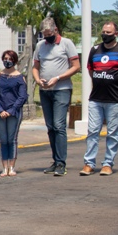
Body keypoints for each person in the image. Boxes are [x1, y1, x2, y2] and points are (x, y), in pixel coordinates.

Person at [80, 22, 118, 177]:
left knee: (112, 133)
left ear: (116, 33)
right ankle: (89, 163)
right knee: (93, 131)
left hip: (114, 99)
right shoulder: (95, 50)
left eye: (108, 32)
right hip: (96, 98)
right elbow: (91, 70)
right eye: (103, 32)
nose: (105, 34)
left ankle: (107, 163)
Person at [32, 17, 81, 176]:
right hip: (45, 90)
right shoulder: (40, 46)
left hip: (62, 89)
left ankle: (61, 163)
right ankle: (55, 160)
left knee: (59, 125)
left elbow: (76, 66)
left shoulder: (66, 44)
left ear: (55, 30)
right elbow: (35, 67)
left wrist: (58, 78)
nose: (47, 37)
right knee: (51, 127)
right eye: (44, 35)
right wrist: (38, 80)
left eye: (49, 34)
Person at [0, 49, 27, 177]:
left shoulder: (20, 77)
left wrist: (11, 110)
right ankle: (4, 167)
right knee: (3, 140)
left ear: (15, 61)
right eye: (5, 59)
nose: (7, 61)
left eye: (10, 59)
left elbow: (22, 96)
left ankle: (12, 167)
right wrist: (0, 110)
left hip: (14, 113)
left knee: (12, 139)